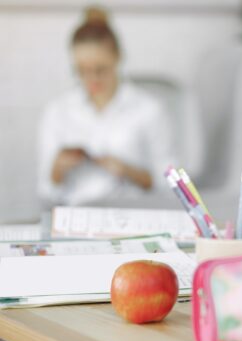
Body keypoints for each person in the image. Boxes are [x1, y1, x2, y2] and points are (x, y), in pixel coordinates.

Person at [37, 7, 175, 206]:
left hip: (133, 214)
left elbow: (173, 184)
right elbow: (44, 191)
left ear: (118, 57)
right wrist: (57, 170)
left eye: (100, 69)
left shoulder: (149, 109)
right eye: (82, 71)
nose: (92, 79)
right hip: (76, 215)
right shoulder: (57, 111)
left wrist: (128, 171)